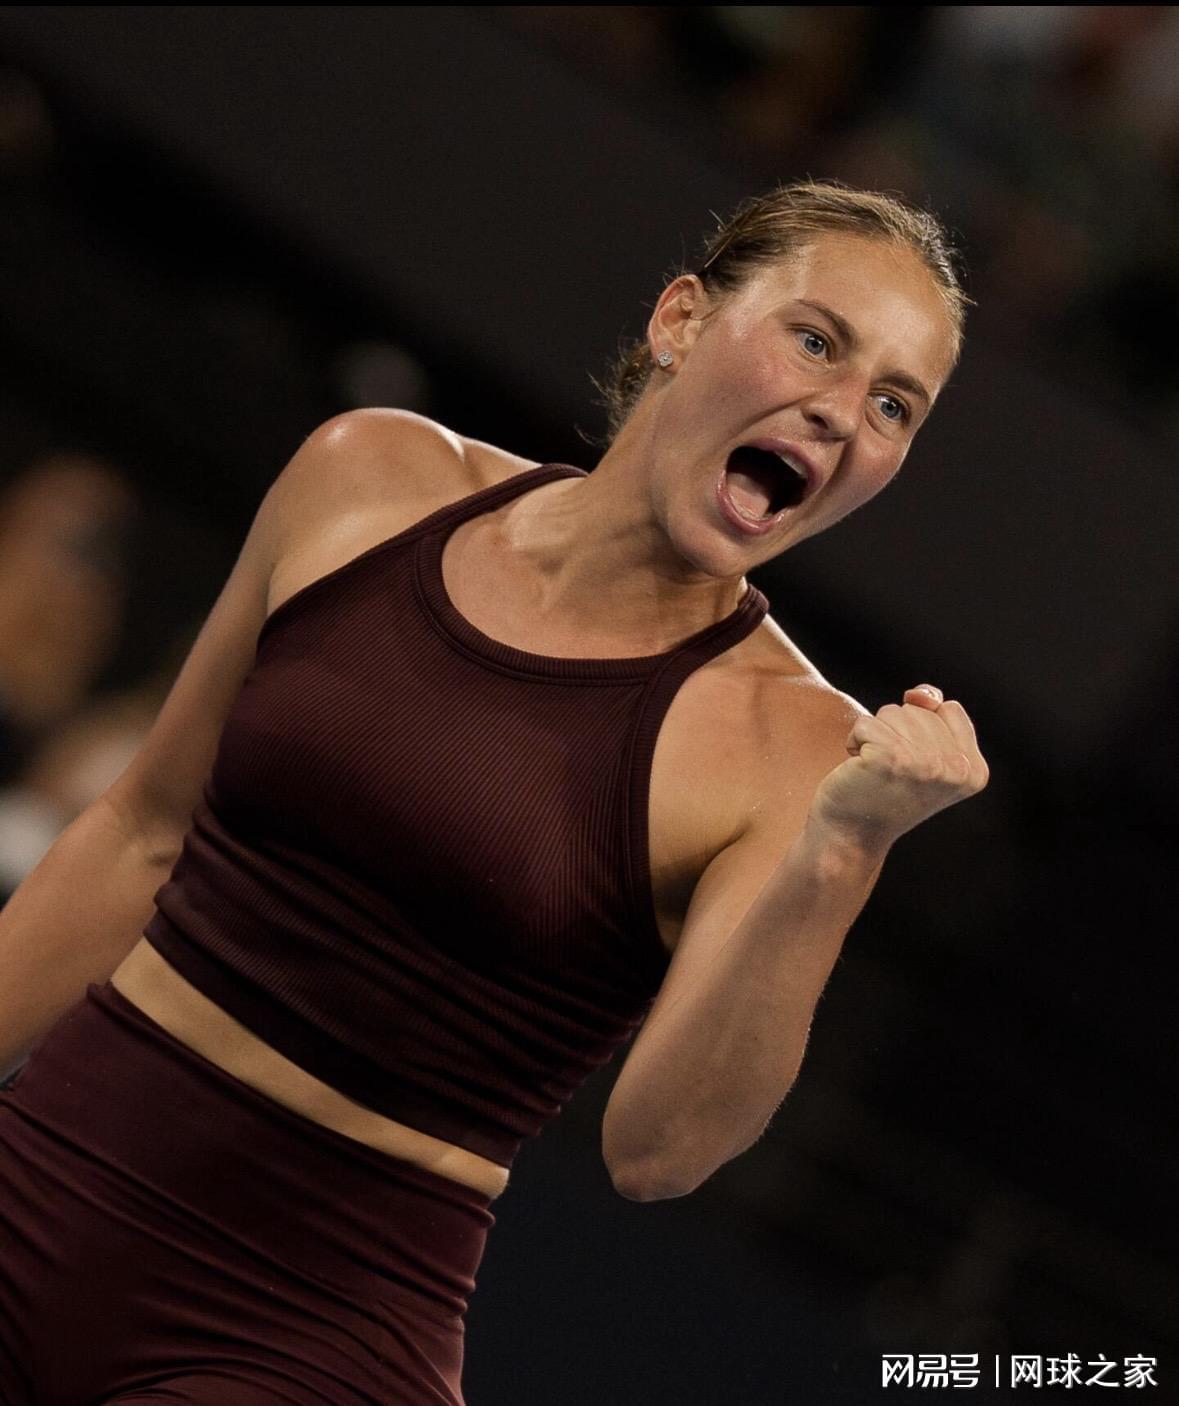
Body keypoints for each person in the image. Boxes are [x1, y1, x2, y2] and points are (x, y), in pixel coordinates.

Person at [0, 180, 988, 1405]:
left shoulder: (803, 752)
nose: (842, 411)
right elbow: (140, 834)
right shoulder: (370, 475)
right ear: (680, 320)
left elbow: (662, 1150)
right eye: (817, 340)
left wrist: (844, 848)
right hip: (39, 1172)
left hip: (307, 1344)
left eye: (894, 404)